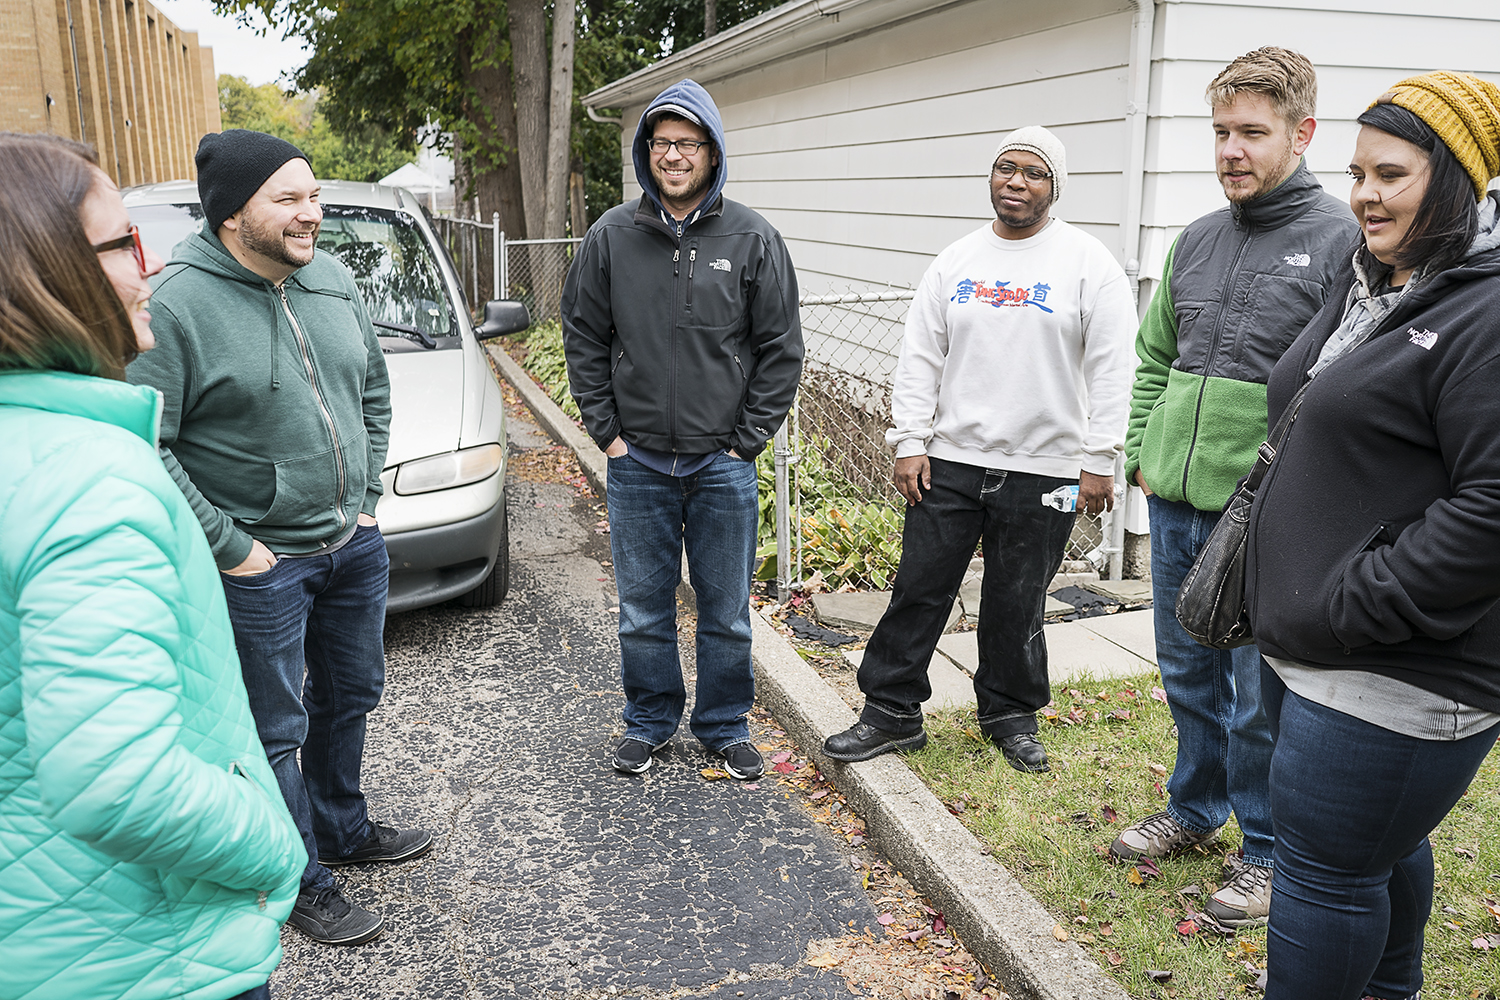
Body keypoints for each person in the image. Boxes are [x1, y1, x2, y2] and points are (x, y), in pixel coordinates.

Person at [0, 133, 305, 1000]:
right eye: (127, 243)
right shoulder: (87, 478)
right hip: (136, 959)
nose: (153, 264)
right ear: (47, 274)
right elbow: (115, 778)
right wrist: (272, 846)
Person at [127, 129, 429, 947]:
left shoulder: (329, 280)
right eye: (289, 199)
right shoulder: (176, 304)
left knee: (352, 692)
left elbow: (370, 386)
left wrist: (366, 498)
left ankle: (342, 826)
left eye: (315, 196)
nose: (312, 215)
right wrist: (232, 545)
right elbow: (146, 440)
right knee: (273, 730)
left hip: (350, 542)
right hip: (259, 562)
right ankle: (297, 876)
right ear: (233, 214)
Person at [1246, 71, 1500, 1000]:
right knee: (1376, 854)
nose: (1363, 195)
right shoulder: (1382, 287)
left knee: (1324, 875)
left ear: (1457, 183)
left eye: (1390, 175)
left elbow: (1492, 509)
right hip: (1319, 650)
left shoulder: (1484, 310)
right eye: (1356, 172)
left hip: (1398, 668)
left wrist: (1355, 599)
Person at [1111, 47, 1358, 930]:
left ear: (1303, 134)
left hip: (1265, 516)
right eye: (1221, 132)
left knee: (1261, 694)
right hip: (1175, 502)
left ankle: (1266, 851)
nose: (1231, 150)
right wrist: (1142, 451)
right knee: (1186, 669)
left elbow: (1343, 387)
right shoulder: (1197, 239)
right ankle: (1193, 808)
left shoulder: (1342, 241)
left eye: (1253, 133)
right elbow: (1151, 361)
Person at [822, 125, 1136, 774]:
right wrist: (910, 441)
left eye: (1034, 172)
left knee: (1017, 600)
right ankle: (890, 713)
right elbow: (920, 360)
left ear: (1056, 187)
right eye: (1005, 168)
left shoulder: (1086, 263)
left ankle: (1009, 715)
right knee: (919, 589)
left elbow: (1114, 369)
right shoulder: (956, 261)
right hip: (952, 460)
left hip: (1045, 467)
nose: (1016, 181)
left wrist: (1100, 461)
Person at [561, 79, 804, 779]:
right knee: (642, 610)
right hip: (637, 461)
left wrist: (745, 441)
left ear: (712, 151)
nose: (673, 154)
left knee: (726, 611)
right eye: (662, 142)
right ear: (647, 152)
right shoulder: (612, 235)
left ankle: (725, 726)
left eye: (687, 143)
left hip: (721, 464)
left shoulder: (753, 237)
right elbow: (583, 334)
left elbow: (780, 348)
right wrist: (606, 430)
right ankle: (649, 721)